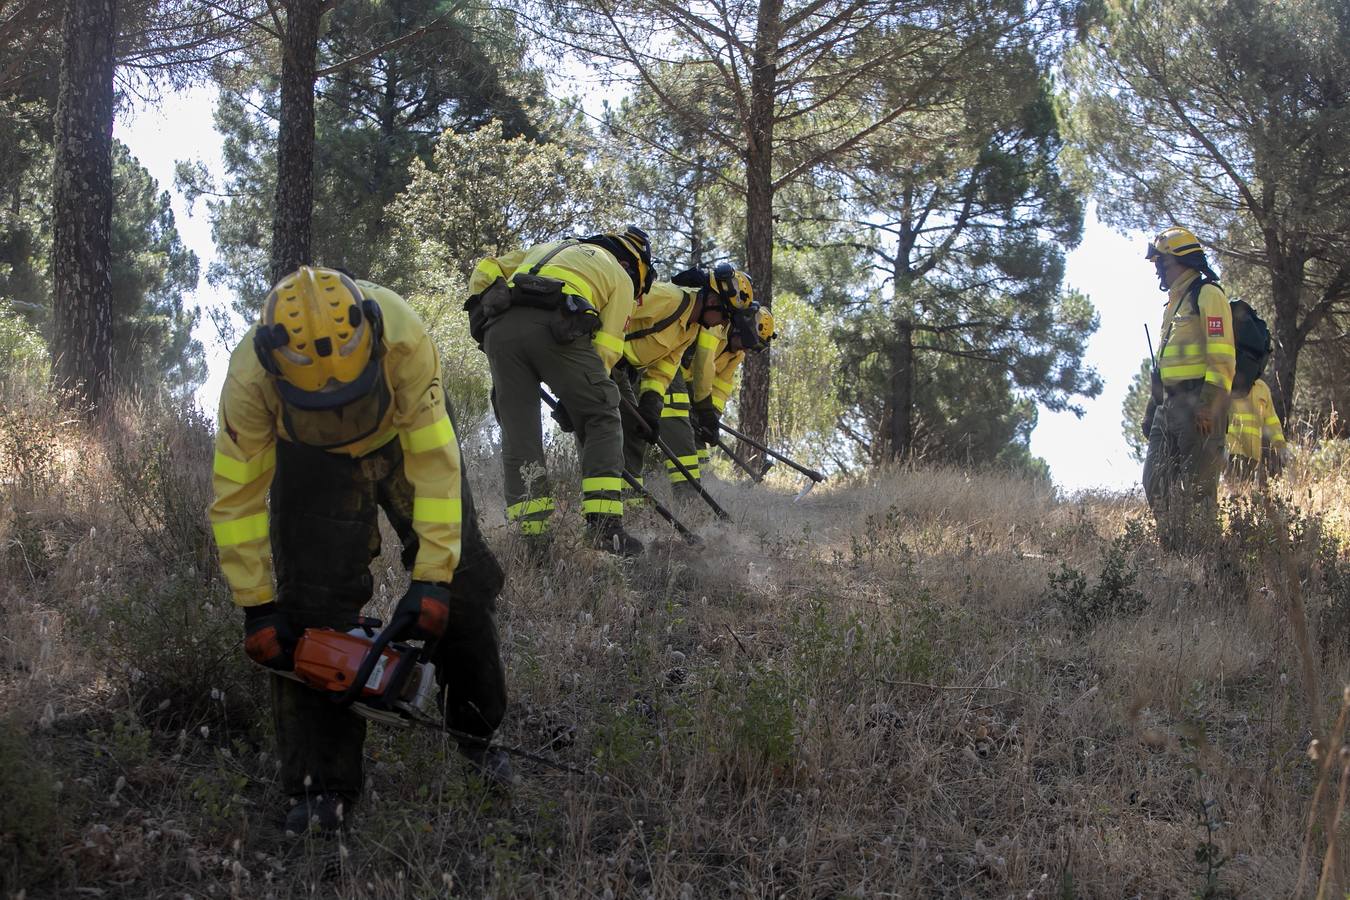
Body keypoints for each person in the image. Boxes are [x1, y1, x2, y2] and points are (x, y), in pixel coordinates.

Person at [209, 266, 508, 835]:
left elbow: (436, 467)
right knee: (308, 615)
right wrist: (257, 607)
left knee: (463, 581)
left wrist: (433, 577)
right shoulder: (249, 380)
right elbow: (236, 499)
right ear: (276, 369)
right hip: (310, 466)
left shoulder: (403, 337)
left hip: (401, 440)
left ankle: (478, 738)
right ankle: (320, 789)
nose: (338, 413)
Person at [467, 227, 652, 554]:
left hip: (500, 331)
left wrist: (483, 300)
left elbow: (488, 266)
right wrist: (578, 399)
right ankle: (604, 528)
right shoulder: (621, 277)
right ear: (632, 264)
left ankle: (533, 540)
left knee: (519, 433)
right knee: (603, 414)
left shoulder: (546, 246)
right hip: (558, 328)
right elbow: (607, 349)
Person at [615, 264, 749, 504]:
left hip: (623, 372)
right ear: (711, 300)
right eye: (724, 315)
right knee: (606, 429)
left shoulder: (690, 329)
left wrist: (651, 402)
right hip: (602, 361)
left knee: (634, 434)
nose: (722, 324)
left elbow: (664, 367)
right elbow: (619, 302)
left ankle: (631, 505)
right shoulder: (668, 297)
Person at [1140, 226, 1235, 551]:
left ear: (1180, 260)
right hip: (1168, 407)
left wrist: (1209, 404)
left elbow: (1222, 355)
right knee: (1154, 481)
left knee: (1199, 494)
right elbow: (1167, 363)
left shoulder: (1207, 295)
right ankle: (1177, 551)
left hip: (1199, 408)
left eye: (1161, 263)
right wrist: (1152, 409)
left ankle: (1207, 562)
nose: (1158, 270)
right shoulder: (1173, 304)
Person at [687, 300, 776, 465]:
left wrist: (713, 414)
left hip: (695, 386)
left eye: (755, 347)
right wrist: (704, 410)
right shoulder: (714, 329)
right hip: (677, 375)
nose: (748, 349)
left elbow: (722, 385)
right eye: (751, 343)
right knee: (684, 419)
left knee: (699, 430)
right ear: (742, 329)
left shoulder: (737, 354)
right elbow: (704, 368)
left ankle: (702, 471)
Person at [1225, 376, 1289, 484]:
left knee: (1246, 491)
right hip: (1232, 449)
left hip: (1253, 453)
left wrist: (1280, 445)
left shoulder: (1262, 388)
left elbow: (1272, 420)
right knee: (1234, 489)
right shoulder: (1230, 382)